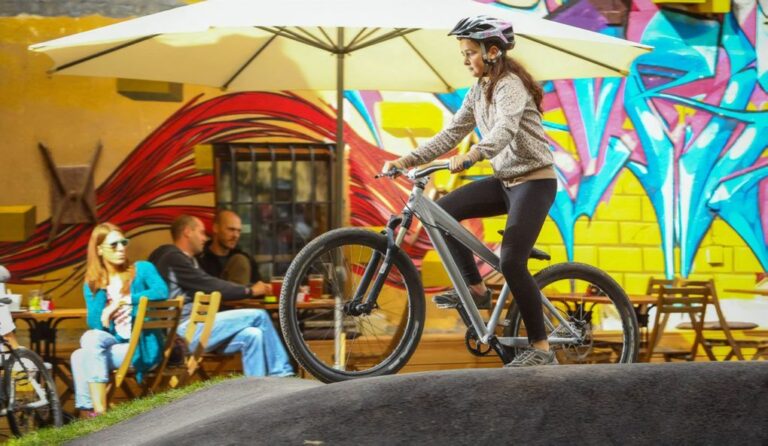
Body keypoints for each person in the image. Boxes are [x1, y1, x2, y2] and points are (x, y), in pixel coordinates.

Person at [382, 16, 558, 367]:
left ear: (492, 51)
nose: (464, 60)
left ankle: (541, 347)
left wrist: (473, 156)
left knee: (511, 261)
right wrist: (404, 160)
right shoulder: (478, 91)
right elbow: (450, 135)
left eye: (469, 53)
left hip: (535, 182)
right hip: (505, 181)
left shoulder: (510, 86)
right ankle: (477, 290)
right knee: (443, 212)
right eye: (462, 53)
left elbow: (505, 130)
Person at [148, 215, 294, 377]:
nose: (205, 238)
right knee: (259, 316)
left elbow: (208, 283)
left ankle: (255, 393)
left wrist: (249, 287)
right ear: (188, 232)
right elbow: (210, 285)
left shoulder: (184, 259)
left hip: (195, 330)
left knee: (254, 335)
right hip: (183, 334)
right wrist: (250, 291)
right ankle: (282, 373)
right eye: (202, 233)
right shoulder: (174, 258)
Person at [71, 223, 170, 416]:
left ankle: (93, 414)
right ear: (99, 250)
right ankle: (94, 412)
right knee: (88, 342)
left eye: (123, 243)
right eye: (114, 245)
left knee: (81, 356)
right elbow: (97, 325)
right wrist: (100, 287)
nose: (121, 248)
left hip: (141, 348)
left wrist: (123, 301)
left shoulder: (142, 269)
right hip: (114, 345)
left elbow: (161, 291)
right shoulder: (93, 284)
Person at [197, 210, 260, 286]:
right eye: (231, 229)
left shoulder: (246, 259)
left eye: (239, 231)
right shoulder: (199, 259)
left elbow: (260, 289)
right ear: (215, 228)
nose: (236, 236)